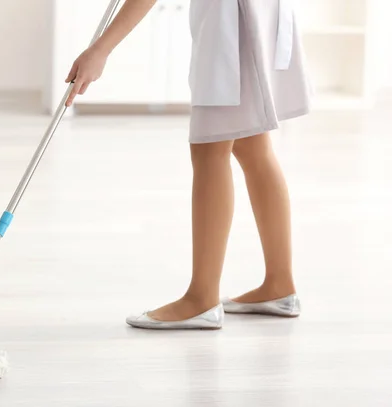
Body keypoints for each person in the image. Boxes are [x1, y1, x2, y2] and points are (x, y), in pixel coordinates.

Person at [65, 0, 311, 329]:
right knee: (253, 146)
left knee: (211, 150)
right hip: (257, 15)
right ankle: (279, 286)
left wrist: (100, 50)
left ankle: (201, 298)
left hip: (234, 22)